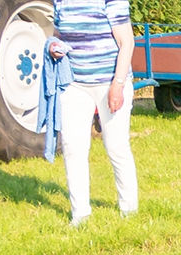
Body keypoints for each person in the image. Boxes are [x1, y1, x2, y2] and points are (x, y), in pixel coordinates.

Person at [50, 0, 138, 224]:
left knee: (116, 146)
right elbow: (58, 33)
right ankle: (80, 214)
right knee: (72, 147)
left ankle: (129, 210)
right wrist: (53, 45)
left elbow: (126, 42)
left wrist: (117, 85)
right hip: (75, 83)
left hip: (110, 81)